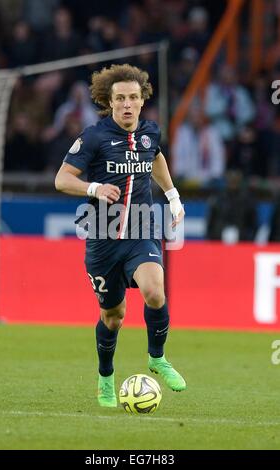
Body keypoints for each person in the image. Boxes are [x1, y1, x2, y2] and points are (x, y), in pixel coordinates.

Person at [55, 64, 186, 407]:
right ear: (109, 102)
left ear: (142, 100)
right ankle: (105, 379)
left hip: (142, 229)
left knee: (155, 292)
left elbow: (155, 158)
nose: (127, 104)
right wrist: (94, 186)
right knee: (113, 317)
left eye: (133, 98)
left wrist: (172, 197)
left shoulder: (150, 132)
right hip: (102, 238)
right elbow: (62, 179)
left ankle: (157, 357)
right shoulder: (94, 137)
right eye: (120, 99)